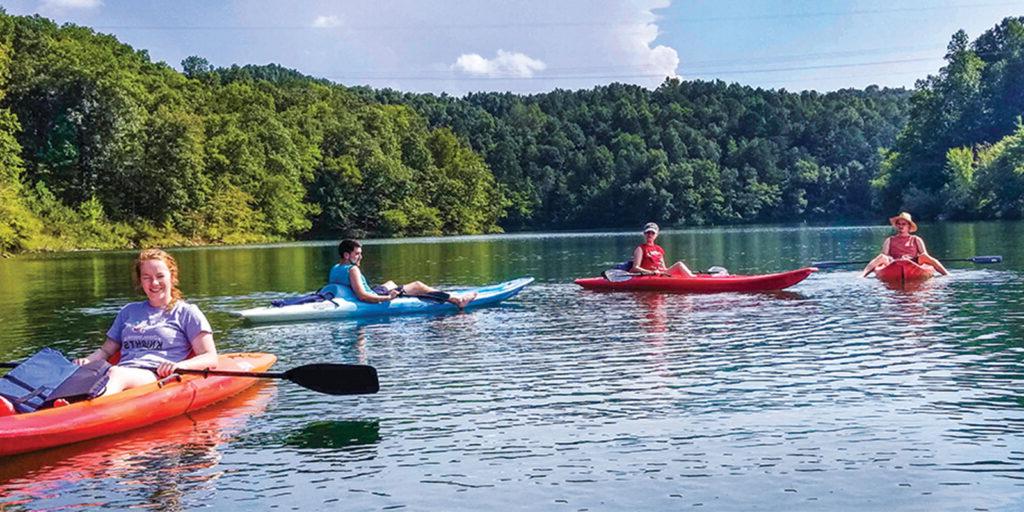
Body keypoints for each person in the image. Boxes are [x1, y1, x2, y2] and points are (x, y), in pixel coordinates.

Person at [73, 248, 218, 396]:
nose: (154, 283)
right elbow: (106, 351)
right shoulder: (128, 311)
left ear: (172, 277)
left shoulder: (187, 312)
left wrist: (179, 365)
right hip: (123, 372)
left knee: (117, 373)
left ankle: (89, 409)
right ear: (140, 281)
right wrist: (86, 361)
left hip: (155, 375)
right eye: (146, 277)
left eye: (160, 276)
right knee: (85, 374)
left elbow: (210, 357)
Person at [330, 239, 478, 308]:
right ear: (346, 255)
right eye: (357, 254)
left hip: (370, 292)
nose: (360, 257)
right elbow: (362, 295)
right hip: (371, 298)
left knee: (390, 283)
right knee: (418, 285)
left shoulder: (336, 267)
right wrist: (388, 297)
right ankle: (458, 301)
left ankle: (442, 295)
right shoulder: (353, 269)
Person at [860, 212, 950, 278]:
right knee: (882, 257)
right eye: (899, 224)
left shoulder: (916, 239)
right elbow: (884, 256)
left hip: (913, 262)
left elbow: (925, 257)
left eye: (904, 224)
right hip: (894, 263)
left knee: (924, 256)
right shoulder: (890, 240)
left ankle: (946, 274)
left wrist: (910, 260)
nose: (901, 226)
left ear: (909, 226)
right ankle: (862, 275)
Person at [630, 222, 695, 277]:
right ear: (644, 234)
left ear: (656, 235)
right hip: (650, 275)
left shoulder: (659, 249)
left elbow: (663, 268)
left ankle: (691, 277)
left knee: (680, 267)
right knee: (679, 264)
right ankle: (693, 280)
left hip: (662, 274)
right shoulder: (640, 249)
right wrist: (651, 272)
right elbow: (635, 268)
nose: (650, 235)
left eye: (653, 233)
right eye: (648, 232)